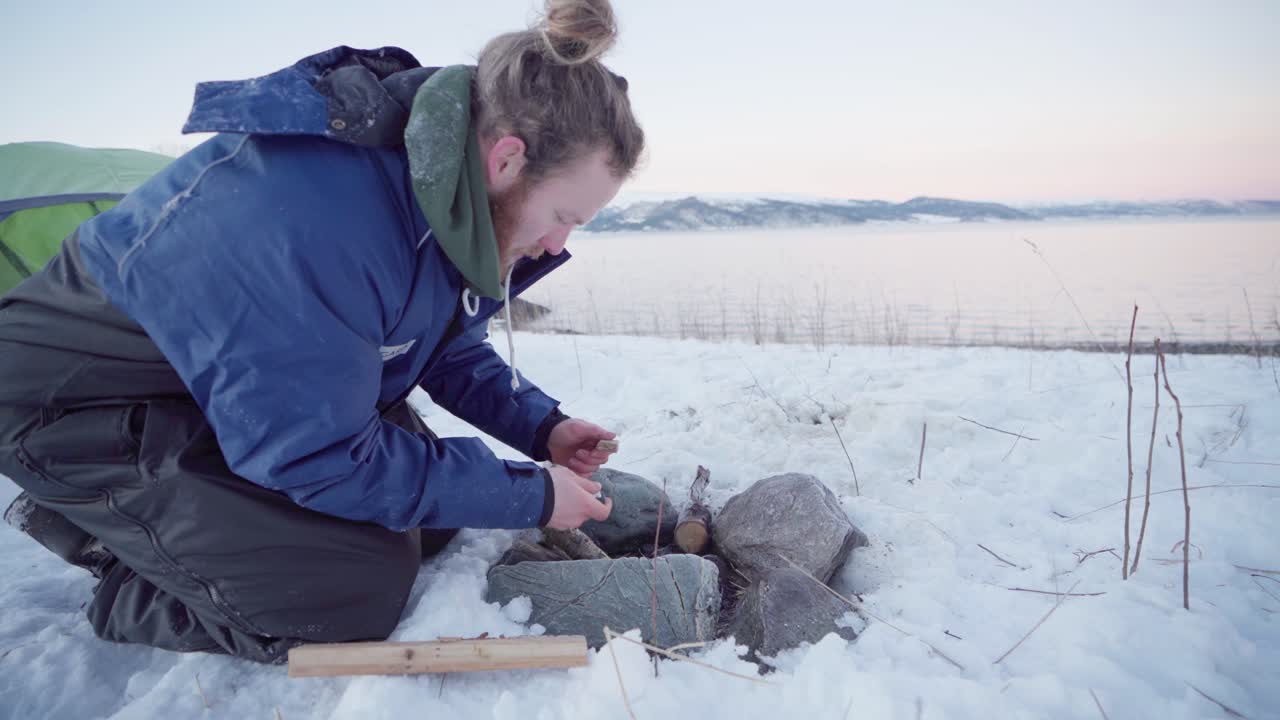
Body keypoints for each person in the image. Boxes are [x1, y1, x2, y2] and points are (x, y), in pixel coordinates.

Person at [0, 0, 643, 663]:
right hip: (81, 405)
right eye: (566, 216)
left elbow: (438, 344)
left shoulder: (434, 186)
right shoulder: (321, 222)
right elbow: (321, 457)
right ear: (507, 160)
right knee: (347, 589)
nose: (558, 245)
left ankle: (184, 518)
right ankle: (114, 554)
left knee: (432, 519)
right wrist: (531, 494)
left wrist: (543, 428)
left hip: (228, 389)